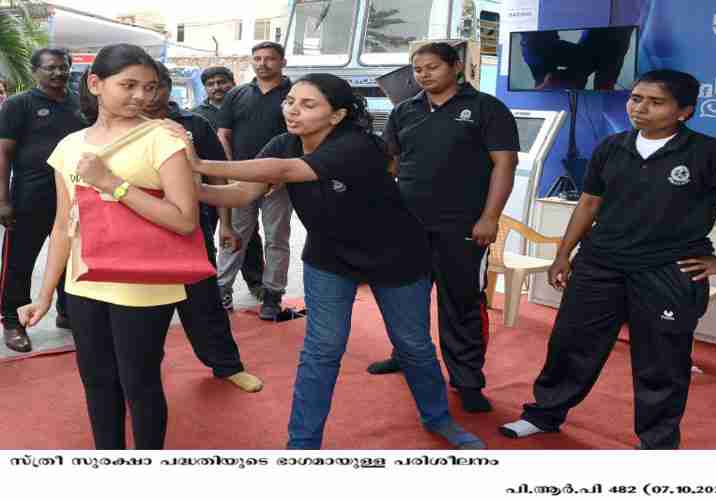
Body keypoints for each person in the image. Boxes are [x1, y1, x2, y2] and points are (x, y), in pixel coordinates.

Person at [166, 73, 486, 450]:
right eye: (290, 102)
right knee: (323, 348)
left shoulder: (358, 145)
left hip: (396, 255)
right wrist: (182, 185)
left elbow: (285, 172)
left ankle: (438, 418)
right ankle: (302, 444)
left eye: (308, 104)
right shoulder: (284, 143)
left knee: (413, 345)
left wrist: (199, 162)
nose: (293, 111)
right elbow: (241, 193)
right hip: (329, 257)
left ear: (336, 115)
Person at [500, 70, 716, 449]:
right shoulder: (612, 146)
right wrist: (563, 254)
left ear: (684, 111)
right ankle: (543, 415)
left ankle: (656, 444)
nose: (640, 108)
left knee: (662, 362)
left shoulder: (709, 153)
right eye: (636, 98)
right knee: (571, 345)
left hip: (668, 269)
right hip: (600, 262)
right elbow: (588, 203)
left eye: (655, 101)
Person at [18, 44, 198, 449]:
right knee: (97, 382)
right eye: (128, 85)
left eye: (149, 88)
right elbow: (63, 225)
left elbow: (184, 218)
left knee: (140, 383)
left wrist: (112, 185)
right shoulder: (69, 146)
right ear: (96, 84)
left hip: (145, 282)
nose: (140, 96)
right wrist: (45, 295)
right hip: (85, 283)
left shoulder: (162, 138)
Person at [367, 42, 520, 414]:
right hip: (408, 225)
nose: (424, 74)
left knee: (460, 304)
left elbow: (505, 165)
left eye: (432, 67)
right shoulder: (405, 111)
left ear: (455, 67)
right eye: (417, 69)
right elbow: (392, 165)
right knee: (405, 299)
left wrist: (490, 217)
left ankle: (467, 380)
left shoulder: (487, 109)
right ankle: (405, 355)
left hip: (463, 227)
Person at [143, 62, 262, 393]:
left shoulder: (194, 124)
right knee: (141, 311)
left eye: (156, 86)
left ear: (169, 87)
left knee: (203, 302)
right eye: (141, 87)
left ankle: (227, 366)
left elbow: (216, 176)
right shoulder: (121, 128)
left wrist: (226, 224)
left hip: (190, 229)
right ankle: (139, 373)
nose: (149, 95)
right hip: (137, 232)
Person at [0, 48, 85, 353]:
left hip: (75, 194)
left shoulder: (79, 103)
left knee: (71, 256)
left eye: (63, 67)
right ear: (35, 71)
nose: (58, 73)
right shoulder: (18, 104)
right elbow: (4, 153)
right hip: (30, 195)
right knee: (19, 261)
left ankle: (67, 312)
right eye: (50, 68)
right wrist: (3, 199)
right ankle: (13, 320)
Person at [215, 42, 293, 319]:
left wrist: (285, 174)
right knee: (235, 234)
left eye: (269, 59)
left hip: (278, 182)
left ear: (282, 62)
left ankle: (273, 296)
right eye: (257, 58)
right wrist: (232, 169)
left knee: (277, 239)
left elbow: (301, 136)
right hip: (242, 180)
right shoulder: (237, 94)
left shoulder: (294, 95)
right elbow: (223, 134)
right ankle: (222, 288)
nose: (262, 63)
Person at [191, 66, 265, 307]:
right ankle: (214, 286)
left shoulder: (245, 107)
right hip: (210, 184)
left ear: (232, 82)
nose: (216, 87)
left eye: (221, 82)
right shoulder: (196, 116)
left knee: (247, 234)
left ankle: (256, 281)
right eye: (210, 83)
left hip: (243, 178)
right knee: (210, 232)